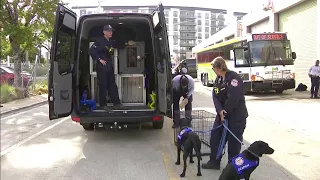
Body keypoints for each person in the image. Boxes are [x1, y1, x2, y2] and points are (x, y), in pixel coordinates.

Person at [202, 56, 248, 170]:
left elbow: (233, 98)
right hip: (222, 114)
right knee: (215, 137)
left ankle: (231, 168)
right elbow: (215, 95)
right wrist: (220, 111)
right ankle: (214, 162)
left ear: (218, 67)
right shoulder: (218, 79)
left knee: (233, 144)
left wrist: (225, 113)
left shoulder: (233, 78)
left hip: (236, 116)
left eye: (213, 68)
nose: (213, 71)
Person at [89, 24, 135, 110]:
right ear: (104, 32)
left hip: (109, 67)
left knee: (112, 85)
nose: (111, 33)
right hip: (102, 68)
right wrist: (99, 59)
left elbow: (118, 44)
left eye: (111, 31)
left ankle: (117, 103)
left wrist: (127, 43)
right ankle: (103, 105)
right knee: (103, 85)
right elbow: (92, 51)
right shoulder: (99, 41)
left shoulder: (110, 41)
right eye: (109, 31)